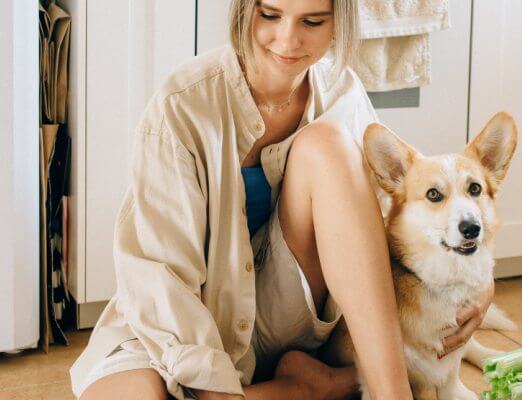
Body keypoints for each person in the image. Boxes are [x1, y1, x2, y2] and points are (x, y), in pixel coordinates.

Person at [69, 1, 494, 399]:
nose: (288, 40)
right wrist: (215, 391)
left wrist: (479, 284)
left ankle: (390, 391)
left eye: (312, 22)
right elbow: (160, 278)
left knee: (327, 144)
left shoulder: (342, 92)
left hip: (290, 321)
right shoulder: (182, 105)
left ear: (338, 22)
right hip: (179, 321)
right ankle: (314, 387)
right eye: (270, 14)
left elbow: (395, 228)